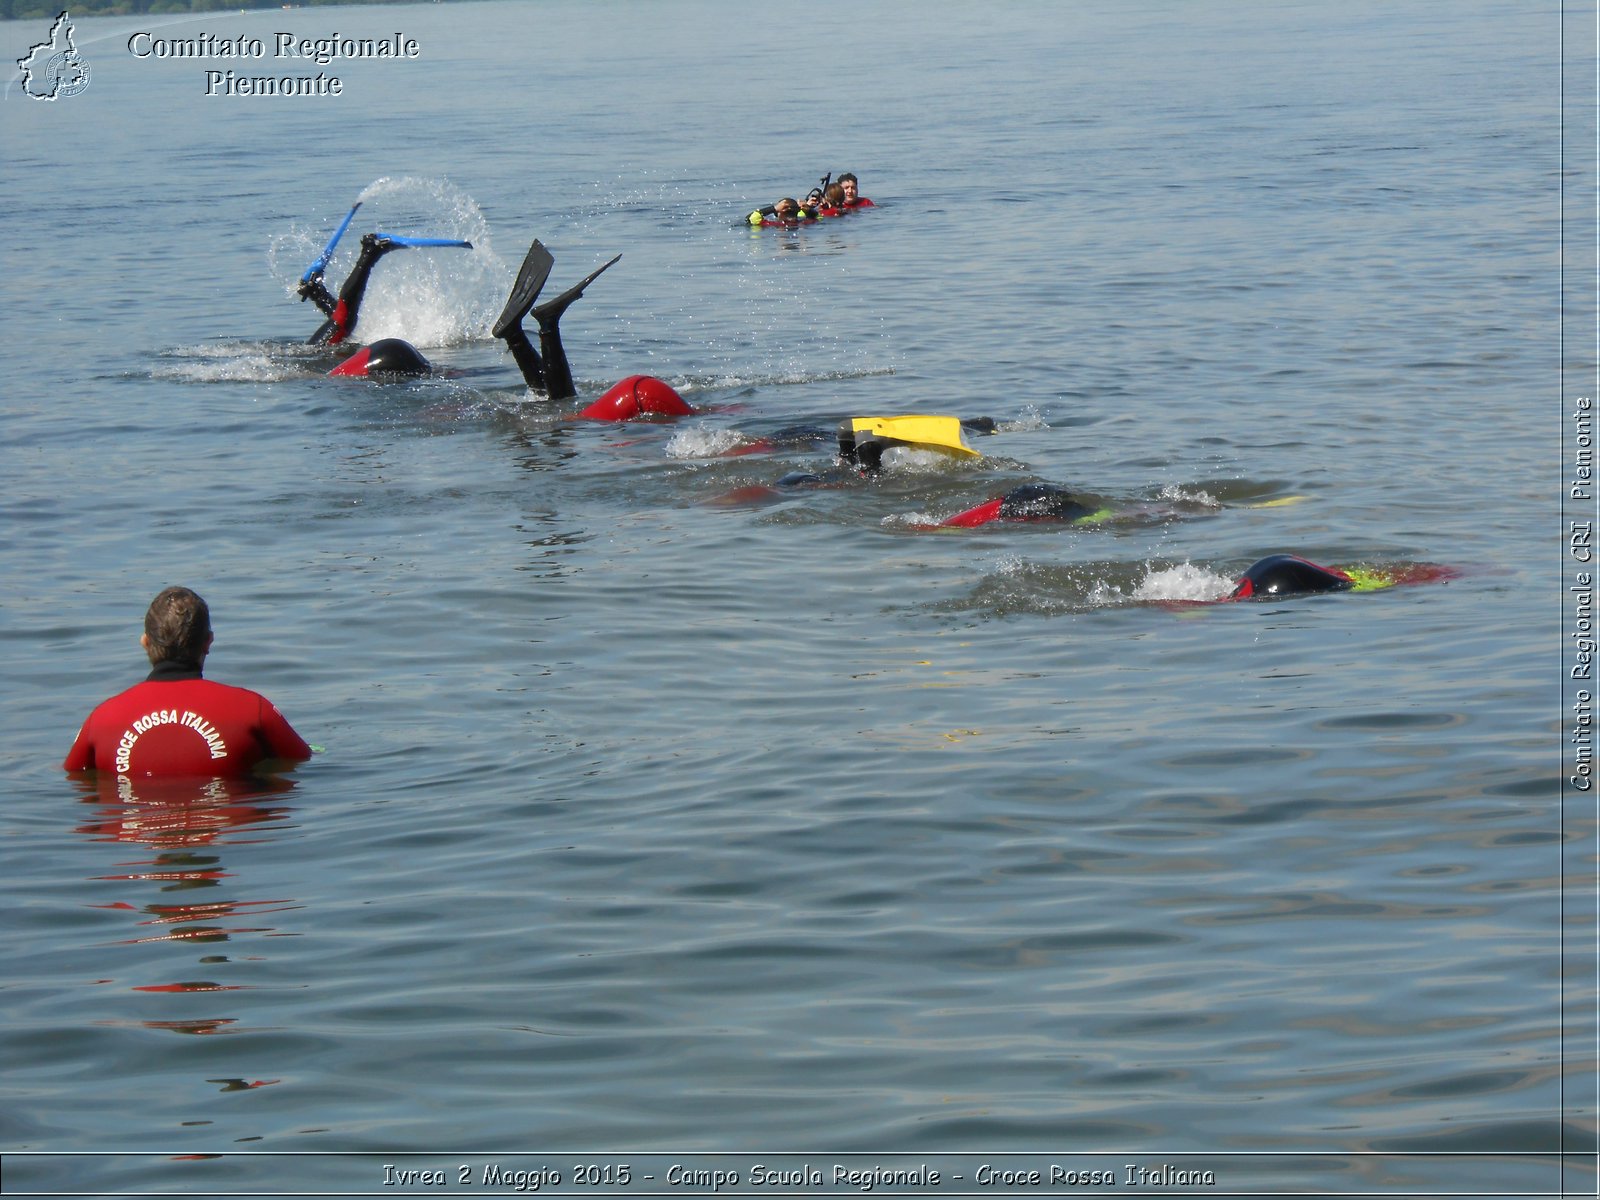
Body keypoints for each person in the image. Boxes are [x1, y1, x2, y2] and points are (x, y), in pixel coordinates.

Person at [63, 587, 312, 779]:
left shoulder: (102, 719)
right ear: (209, 642)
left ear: (145, 642)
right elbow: (300, 764)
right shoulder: (252, 709)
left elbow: (77, 782)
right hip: (231, 833)